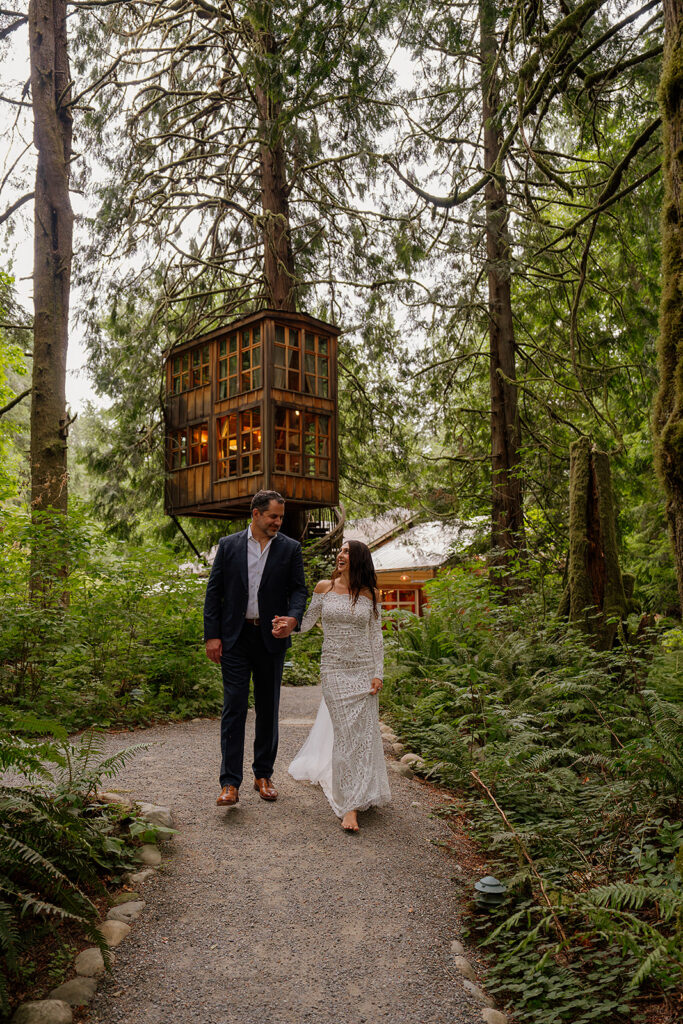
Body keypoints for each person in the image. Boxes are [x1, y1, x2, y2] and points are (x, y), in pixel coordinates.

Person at [274, 540, 390, 832]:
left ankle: (361, 791)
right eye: (340, 550)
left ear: (359, 559)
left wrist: (378, 673)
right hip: (334, 670)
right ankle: (349, 805)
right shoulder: (324, 588)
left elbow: (376, 637)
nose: (341, 554)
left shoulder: (371, 594)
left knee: (363, 736)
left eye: (347, 551)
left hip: (364, 672)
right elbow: (306, 622)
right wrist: (287, 624)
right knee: (346, 735)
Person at [204, 490, 307, 807]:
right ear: (256, 514)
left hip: (271, 639)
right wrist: (212, 635)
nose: (278, 522)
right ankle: (229, 783)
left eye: (280, 517)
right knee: (234, 707)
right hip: (234, 638)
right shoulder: (229, 545)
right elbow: (215, 592)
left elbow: (299, 590)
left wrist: (292, 619)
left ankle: (263, 775)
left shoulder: (290, 549)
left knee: (268, 708)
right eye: (273, 516)